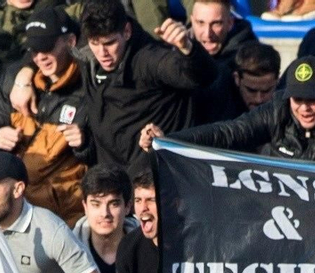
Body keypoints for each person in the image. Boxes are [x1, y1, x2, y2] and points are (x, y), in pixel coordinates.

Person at [156, 56, 315, 185]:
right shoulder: (279, 109)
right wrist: (169, 140)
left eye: (312, 99)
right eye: (297, 99)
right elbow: (229, 133)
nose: (304, 108)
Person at [77, 1, 218, 173]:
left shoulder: (150, 60)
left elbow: (204, 76)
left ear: (127, 31)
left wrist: (188, 48)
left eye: (109, 43)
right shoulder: (87, 59)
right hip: (111, 180)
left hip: (153, 178)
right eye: (94, 43)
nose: (102, 53)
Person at [0, 10, 91, 225]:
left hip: (68, 215)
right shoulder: (13, 80)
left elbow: (109, 146)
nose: (40, 57)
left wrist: (85, 143)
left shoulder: (89, 86)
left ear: (71, 41)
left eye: (47, 48)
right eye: (34, 50)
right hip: (19, 212)